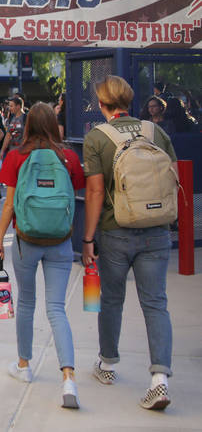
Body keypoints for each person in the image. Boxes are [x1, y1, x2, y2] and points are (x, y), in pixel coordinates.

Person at [81, 75, 176, 411]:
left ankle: (107, 365)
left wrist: (88, 238)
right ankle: (160, 380)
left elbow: (94, 192)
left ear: (102, 104)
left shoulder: (97, 137)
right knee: (156, 304)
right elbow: (171, 176)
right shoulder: (156, 132)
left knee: (112, 300)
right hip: (156, 230)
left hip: (115, 229)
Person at [0, 102, 85, 409]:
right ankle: (69, 377)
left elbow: (8, 205)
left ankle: (24, 366)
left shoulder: (17, 156)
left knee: (27, 302)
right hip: (60, 240)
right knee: (56, 308)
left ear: (28, 124)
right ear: (54, 122)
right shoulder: (68, 156)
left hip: (26, 239)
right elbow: (76, 193)